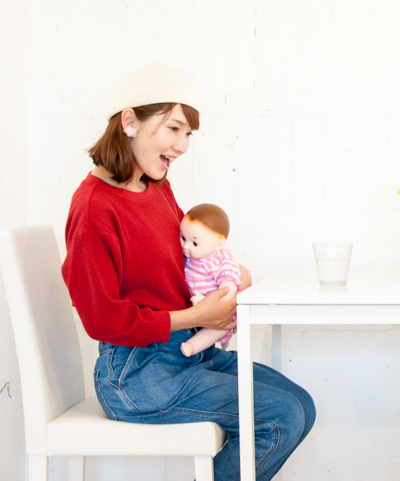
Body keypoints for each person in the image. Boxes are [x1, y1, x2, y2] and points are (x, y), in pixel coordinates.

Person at [61, 62, 315, 480]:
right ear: (129, 121)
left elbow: (185, 262)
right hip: (136, 374)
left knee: (301, 405)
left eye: (188, 134)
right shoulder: (94, 208)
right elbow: (102, 319)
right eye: (174, 128)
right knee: (281, 416)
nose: (182, 146)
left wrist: (229, 280)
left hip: (187, 353)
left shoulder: (156, 186)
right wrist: (198, 316)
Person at [180, 203, 241, 357]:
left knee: (214, 331)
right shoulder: (191, 257)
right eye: (183, 238)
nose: (186, 246)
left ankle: (193, 346)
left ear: (218, 244)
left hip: (215, 312)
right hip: (194, 312)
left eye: (194, 243)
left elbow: (227, 291)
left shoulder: (222, 262)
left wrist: (207, 303)